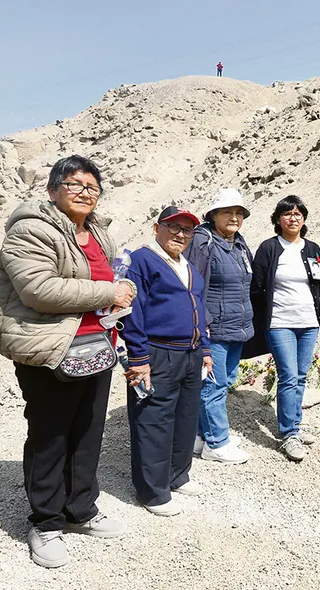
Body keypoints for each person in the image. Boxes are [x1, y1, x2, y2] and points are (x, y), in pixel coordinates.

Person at [0, 155, 133, 568]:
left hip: (97, 345)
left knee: (87, 432)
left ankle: (81, 509)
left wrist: (122, 288)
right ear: (52, 190)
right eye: (75, 185)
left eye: (92, 187)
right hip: (50, 348)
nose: (85, 193)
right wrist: (109, 293)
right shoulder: (30, 229)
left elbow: (111, 276)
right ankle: (46, 522)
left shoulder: (97, 232)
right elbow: (39, 289)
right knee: (51, 434)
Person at [122, 206, 213, 517]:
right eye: (173, 227)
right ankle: (152, 491)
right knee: (153, 421)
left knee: (185, 418)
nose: (181, 234)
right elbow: (132, 311)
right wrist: (139, 356)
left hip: (191, 353)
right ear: (156, 227)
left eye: (187, 230)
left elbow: (200, 310)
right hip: (157, 352)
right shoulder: (141, 260)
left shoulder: (190, 267)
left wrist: (206, 349)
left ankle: (177, 474)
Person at [250, 196, 320, 461]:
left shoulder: (313, 248)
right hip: (280, 322)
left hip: (308, 322)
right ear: (278, 219)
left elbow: (319, 284)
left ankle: (294, 424)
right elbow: (257, 288)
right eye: (287, 213)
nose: (293, 218)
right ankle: (288, 434)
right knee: (289, 375)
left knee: (302, 376)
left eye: (298, 213)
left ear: (303, 219)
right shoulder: (269, 248)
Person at [185, 188, 253, 465]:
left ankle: (201, 435)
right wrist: (202, 325)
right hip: (215, 327)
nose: (234, 218)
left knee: (224, 382)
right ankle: (217, 443)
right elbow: (194, 285)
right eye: (228, 212)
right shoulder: (204, 242)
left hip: (237, 326)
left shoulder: (238, 243)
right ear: (213, 215)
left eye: (239, 213)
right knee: (213, 386)